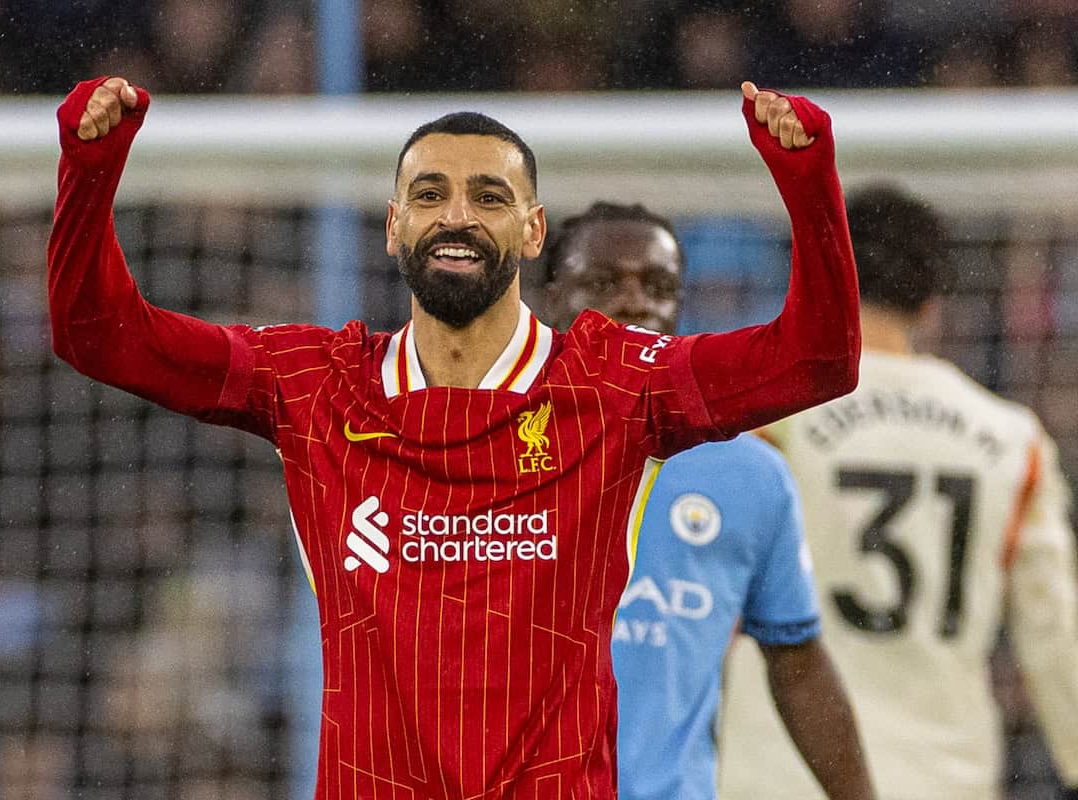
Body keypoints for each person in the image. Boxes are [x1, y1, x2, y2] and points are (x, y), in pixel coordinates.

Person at [48, 75, 860, 798]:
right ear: (394, 227)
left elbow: (818, 360)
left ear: (534, 230)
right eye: (430, 195)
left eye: (490, 197)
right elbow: (101, 335)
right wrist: (90, 174)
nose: (458, 216)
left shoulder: (614, 385)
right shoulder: (312, 383)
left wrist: (808, 180)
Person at [717, 184, 1078, 800]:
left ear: (814, 277)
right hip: (943, 773)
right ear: (935, 300)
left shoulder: (769, 419)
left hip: (777, 768)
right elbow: (1054, 633)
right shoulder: (1013, 441)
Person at [544, 202, 874, 800]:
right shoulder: (479, 448)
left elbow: (797, 663)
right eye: (603, 284)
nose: (635, 302)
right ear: (547, 297)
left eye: (659, 287)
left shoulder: (748, 473)